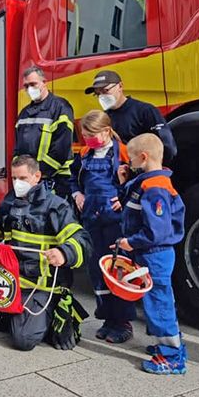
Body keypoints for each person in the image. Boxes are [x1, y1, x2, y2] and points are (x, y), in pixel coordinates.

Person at [0, 155, 92, 351]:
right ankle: (12, 315)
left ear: (37, 176)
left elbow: (82, 240)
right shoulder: (9, 203)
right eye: (14, 178)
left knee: (23, 341)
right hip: (15, 281)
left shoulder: (55, 206)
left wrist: (63, 253)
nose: (17, 183)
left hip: (42, 284)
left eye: (23, 178)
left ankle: (57, 309)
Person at [115, 133, 187, 374]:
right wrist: (125, 181)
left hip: (154, 253)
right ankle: (166, 345)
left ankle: (171, 357)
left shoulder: (154, 188)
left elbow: (157, 230)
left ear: (143, 157)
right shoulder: (149, 182)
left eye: (131, 160)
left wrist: (131, 243)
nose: (128, 164)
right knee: (159, 299)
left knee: (159, 302)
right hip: (152, 253)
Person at [69, 110, 136, 343]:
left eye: (91, 134)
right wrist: (77, 193)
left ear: (106, 131)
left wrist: (125, 197)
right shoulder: (85, 153)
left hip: (115, 222)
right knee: (97, 270)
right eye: (84, 134)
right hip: (91, 218)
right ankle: (108, 318)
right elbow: (72, 178)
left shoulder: (124, 153)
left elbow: (138, 182)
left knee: (118, 270)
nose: (87, 139)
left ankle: (123, 321)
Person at [84, 70, 177, 165]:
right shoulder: (104, 118)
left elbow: (167, 147)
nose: (102, 96)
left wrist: (152, 170)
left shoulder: (145, 111)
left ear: (120, 86)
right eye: (98, 94)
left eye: (105, 91)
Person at [14, 66, 74, 199]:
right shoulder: (24, 113)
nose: (30, 89)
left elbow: (61, 148)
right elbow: (17, 148)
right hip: (31, 180)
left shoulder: (60, 107)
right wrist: (22, 173)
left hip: (55, 180)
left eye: (33, 84)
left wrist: (38, 172)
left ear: (44, 82)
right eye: (26, 86)